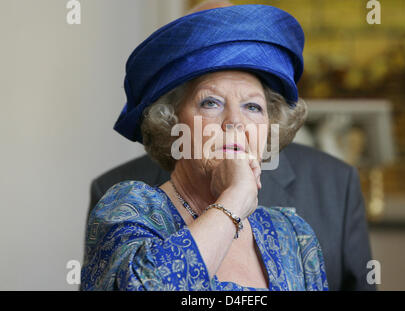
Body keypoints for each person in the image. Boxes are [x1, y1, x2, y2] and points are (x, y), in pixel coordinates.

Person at [82, 4, 336, 291]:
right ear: (171, 121)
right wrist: (234, 200)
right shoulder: (129, 210)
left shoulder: (294, 234)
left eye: (252, 107)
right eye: (211, 103)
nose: (235, 123)